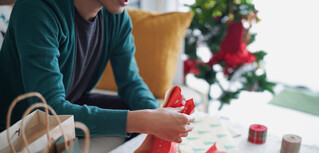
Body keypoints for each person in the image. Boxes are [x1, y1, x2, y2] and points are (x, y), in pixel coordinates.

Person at [0, 0, 194, 143]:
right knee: (136, 121)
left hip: (68, 106)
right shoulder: (36, 9)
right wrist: (146, 121)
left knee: (138, 115)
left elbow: (131, 83)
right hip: (16, 129)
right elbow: (48, 111)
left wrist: (157, 113)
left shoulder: (117, 19)